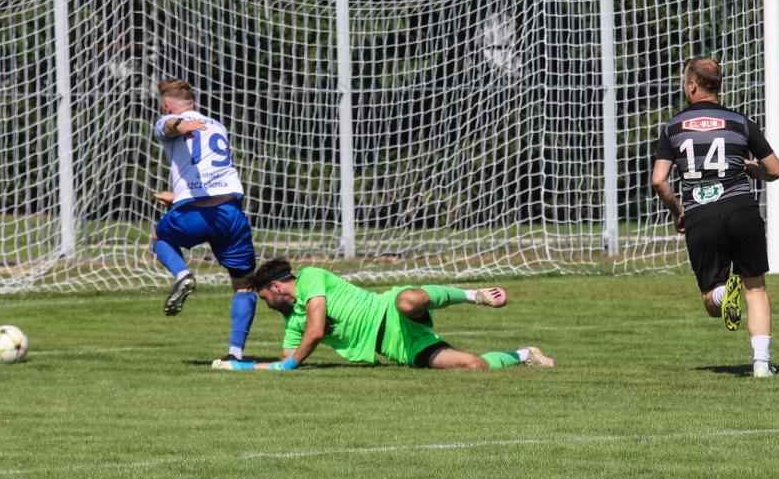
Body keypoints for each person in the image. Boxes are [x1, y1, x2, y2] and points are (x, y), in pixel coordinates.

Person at [649, 56, 779, 378]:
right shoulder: (740, 122)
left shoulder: (674, 127)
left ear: (693, 85)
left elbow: (659, 180)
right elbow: (776, 170)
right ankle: (762, 365)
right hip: (741, 210)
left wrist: (677, 211)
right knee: (755, 289)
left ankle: (723, 293)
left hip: (700, 214)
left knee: (711, 300)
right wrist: (753, 170)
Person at [220, 258, 554, 372]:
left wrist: (292, 363)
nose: (265, 305)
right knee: (473, 366)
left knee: (409, 300)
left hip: (390, 312)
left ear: (277, 287)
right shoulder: (293, 325)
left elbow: (316, 332)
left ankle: (472, 295)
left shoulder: (310, 277)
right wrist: (240, 366)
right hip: (399, 348)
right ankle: (525, 354)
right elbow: (285, 362)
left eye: (264, 297)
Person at [149, 78, 259, 363]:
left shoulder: (169, 121)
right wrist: (178, 196)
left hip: (195, 214)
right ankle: (235, 353)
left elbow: (167, 127)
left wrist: (177, 125)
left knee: (160, 239)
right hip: (230, 213)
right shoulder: (216, 125)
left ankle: (182, 275)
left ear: (166, 105)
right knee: (244, 284)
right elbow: (211, 173)